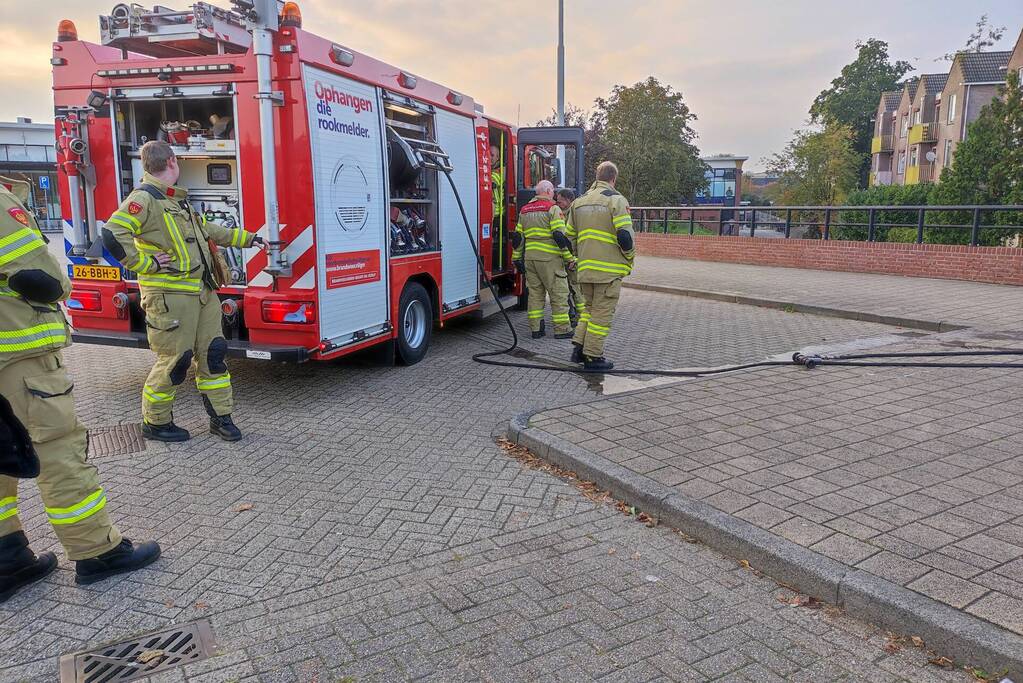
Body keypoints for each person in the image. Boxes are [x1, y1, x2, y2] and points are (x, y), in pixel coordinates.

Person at [0, 182, 159, 600]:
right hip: (18, 357)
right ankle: (98, 552)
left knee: (1, 453)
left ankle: (7, 557)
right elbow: (48, 279)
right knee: (58, 452)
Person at [103, 141, 265, 443]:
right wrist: (143, 263)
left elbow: (208, 231)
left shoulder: (176, 200)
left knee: (213, 355)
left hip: (202, 293)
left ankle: (221, 418)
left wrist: (249, 239)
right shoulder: (144, 199)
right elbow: (112, 233)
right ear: (173, 162)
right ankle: (155, 422)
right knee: (175, 360)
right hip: (170, 298)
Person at [566, 161, 634, 370]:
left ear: (597, 176)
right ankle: (593, 357)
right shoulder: (616, 200)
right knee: (601, 316)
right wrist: (630, 256)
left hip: (585, 270)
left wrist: (579, 256)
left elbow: (569, 238)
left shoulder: (578, 202)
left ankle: (578, 349)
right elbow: (624, 235)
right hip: (608, 272)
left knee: (588, 310)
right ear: (614, 178)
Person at [510, 180, 574, 339]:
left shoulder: (524, 210)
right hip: (550, 260)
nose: (554, 194)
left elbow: (518, 238)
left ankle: (536, 329)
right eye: (552, 191)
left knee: (535, 295)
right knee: (558, 294)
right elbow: (559, 236)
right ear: (547, 191)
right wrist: (569, 258)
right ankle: (562, 329)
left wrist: (516, 258)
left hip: (530, 259)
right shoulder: (553, 209)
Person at [555, 187, 585, 325]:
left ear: (568, 200)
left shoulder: (576, 214)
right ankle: (574, 315)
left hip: (574, 259)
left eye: (560, 201)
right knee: (566, 289)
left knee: (576, 289)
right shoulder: (564, 212)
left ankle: (581, 318)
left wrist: (576, 259)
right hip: (565, 258)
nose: (557, 203)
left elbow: (579, 239)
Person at [490, 143, 506, 268]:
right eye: (487, 154)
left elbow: (494, 180)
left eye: (492, 155)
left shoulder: (501, 171)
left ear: (498, 158)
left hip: (497, 215)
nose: (489, 157)